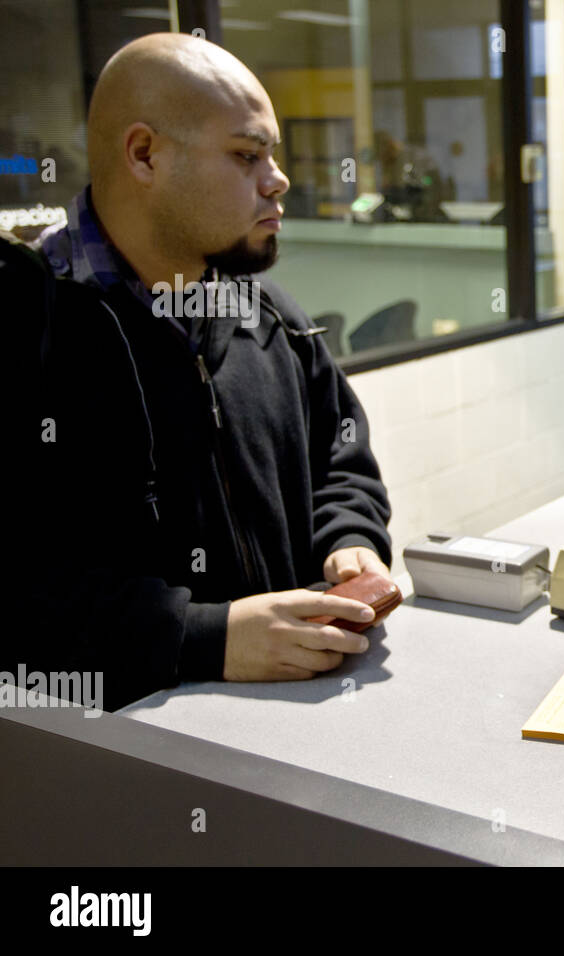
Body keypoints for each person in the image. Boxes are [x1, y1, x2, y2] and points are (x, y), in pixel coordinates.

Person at [4, 34, 394, 711]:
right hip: (109, 774)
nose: (278, 180)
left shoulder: (270, 317)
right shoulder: (25, 329)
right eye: (248, 155)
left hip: (294, 739)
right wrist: (200, 636)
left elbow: (341, 457)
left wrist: (350, 539)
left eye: (272, 154)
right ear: (144, 155)